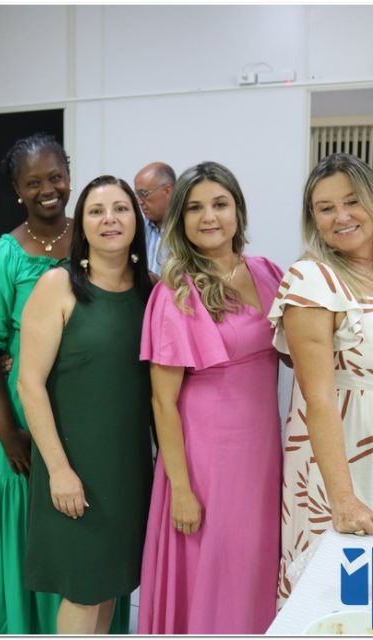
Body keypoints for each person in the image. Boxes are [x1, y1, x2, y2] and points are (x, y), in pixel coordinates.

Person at [0, 133, 130, 634]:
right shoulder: (4, 255)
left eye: (55, 177)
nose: (47, 189)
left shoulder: (95, 237)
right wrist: (6, 432)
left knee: (89, 543)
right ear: (17, 190)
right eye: (33, 182)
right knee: (31, 534)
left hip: (88, 420)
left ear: (69, 177)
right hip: (20, 422)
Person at [137, 161, 282, 634]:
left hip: (261, 452)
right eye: (195, 208)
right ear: (180, 219)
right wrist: (181, 489)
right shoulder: (176, 291)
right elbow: (162, 402)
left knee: (254, 564)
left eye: (220, 204)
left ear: (238, 210)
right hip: (205, 458)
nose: (209, 217)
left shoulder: (267, 272)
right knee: (212, 568)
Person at [18, 175, 154, 634]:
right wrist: (59, 470)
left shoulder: (149, 290)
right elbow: (29, 384)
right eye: (96, 211)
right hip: (75, 464)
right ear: (82, 225)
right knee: (83, 589)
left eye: (121, 208)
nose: (109, 219)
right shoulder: (58, 285)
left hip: (128, 468)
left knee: (110, 584)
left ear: (136, 220)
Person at [268, 153, 373, 606]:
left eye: (352, 201)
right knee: (343, 605)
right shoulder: (311, 279)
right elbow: (319, 399)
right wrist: (343, 500)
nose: (341, 216)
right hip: (341, 463)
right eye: (325, 208)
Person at [134, 162, 176, 275]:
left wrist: (159, 284)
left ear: (168, 191)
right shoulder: (137, 230)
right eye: (137, 195)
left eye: (144, 193)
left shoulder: (187, 230)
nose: (139, 202)